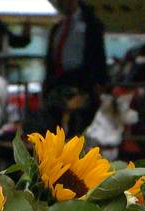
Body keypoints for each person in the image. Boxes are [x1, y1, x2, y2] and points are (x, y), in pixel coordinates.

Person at [43, 0, 108, 135]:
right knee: (53, 124)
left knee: (78, 125)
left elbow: (98, 55)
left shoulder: (90, 25)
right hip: (58, 81)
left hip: (81, 80)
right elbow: (51, 59)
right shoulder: (58, 28)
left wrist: (99, 83)